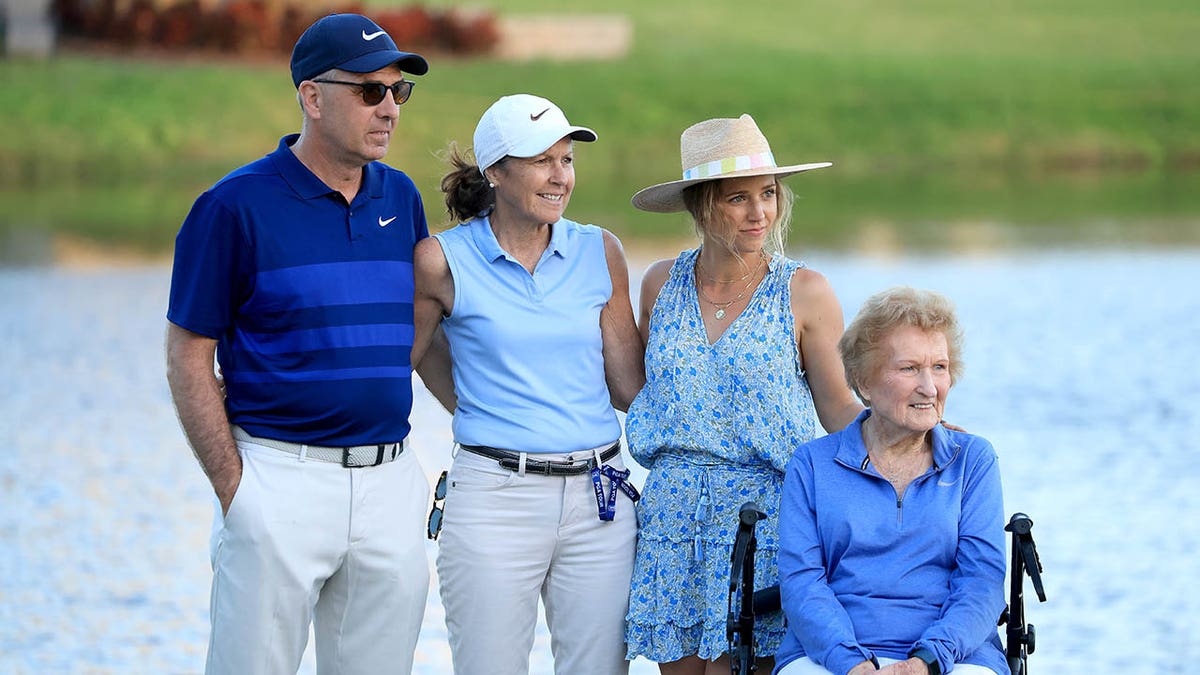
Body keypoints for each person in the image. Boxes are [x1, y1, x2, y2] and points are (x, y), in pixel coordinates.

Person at [164, 14, 432, 674]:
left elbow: (421, 331)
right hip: (278, 482)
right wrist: (237, 492)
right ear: (312, 97)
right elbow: (187, 352)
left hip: (389, 485)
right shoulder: (233, 206)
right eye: (370, 91)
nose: (389, 109)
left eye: (398, 92)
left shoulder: (402, 197)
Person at [409, 93, 645, 675]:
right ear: (495, 172)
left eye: (566, 160)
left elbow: (627, 388)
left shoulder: (600, 250)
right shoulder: (441, 260)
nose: (560, 177)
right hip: (493, 498)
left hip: (600, 501)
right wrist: (475, 406)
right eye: (542, 161)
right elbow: (409, 356)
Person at [623, 114, 864, 675]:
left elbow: (838, 409)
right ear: (701, 205)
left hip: (764, 521)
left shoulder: (804, 291)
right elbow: (649, 394)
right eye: (739, 198)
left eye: (768, 194)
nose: (759, 213)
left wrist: (913, 433)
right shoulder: (659, 284)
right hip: (672, 521)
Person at [774, 287, 1007, 675]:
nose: (930, 388)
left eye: (939, 367)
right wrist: (852, 663)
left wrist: (925, 662)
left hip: (952, 656)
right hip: (833, 655)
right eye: (909, 368)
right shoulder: (812, 465)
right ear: (864, 382)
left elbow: (981, 582)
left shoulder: (973, 461)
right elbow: (803, 586)